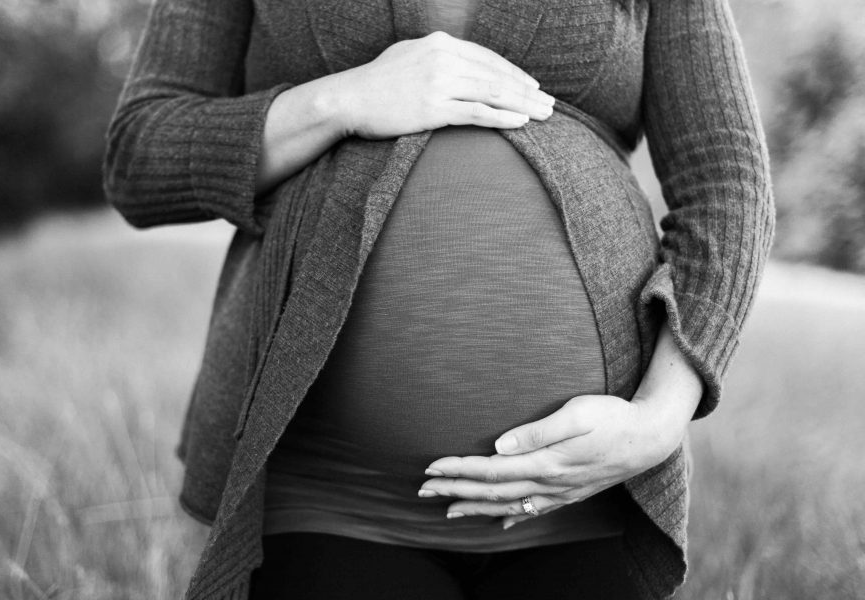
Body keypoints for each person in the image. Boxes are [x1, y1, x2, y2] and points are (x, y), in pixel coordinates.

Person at [103, 0, 774, 598]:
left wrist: (656, 421)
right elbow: (141, 155)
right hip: (326, 497)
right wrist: (344, 100)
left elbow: (728, 182)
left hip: (587, 499)